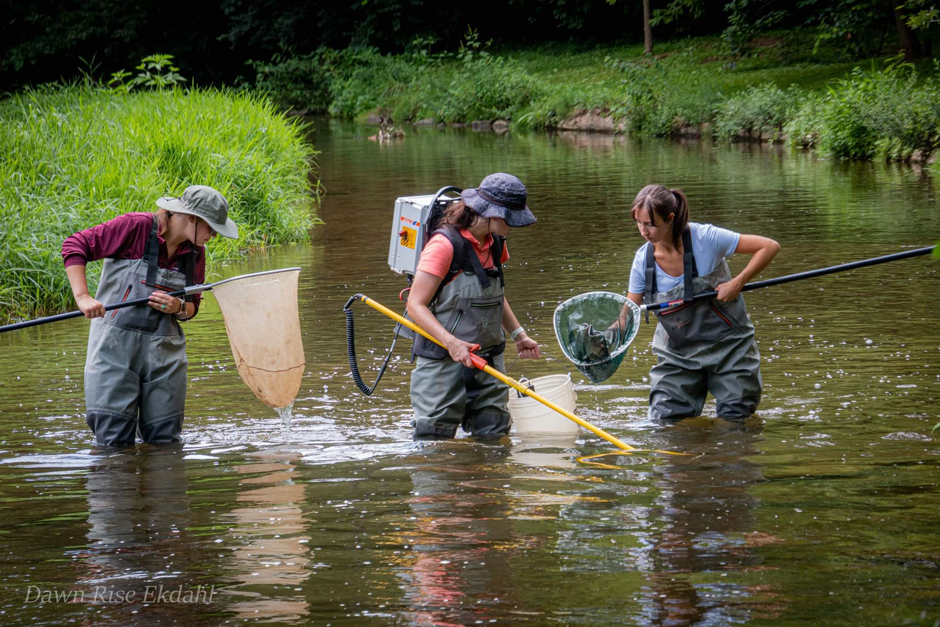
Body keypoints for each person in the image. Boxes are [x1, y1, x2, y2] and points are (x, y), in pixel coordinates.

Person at [62, 185, 239, 446]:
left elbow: (192, 306)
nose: (213, 235)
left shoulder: (195, 252)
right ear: (191, 217)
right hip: (114, 352)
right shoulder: (135, 227)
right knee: (114, 441)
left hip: (165, 355)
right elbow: (75, 245)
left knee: (165, 441)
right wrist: (83, 297)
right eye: (211, 228)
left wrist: (177, 307)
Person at [625, 184, 780, 420]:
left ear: (670, 219)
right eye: (638, 223)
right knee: (666, 424)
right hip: (677, 355)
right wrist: (610, 334)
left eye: (650, 224)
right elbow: (630, 310)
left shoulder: (706, 238)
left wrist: (737, 282)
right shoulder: (642, 261)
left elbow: (768, 246)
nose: (643, 231)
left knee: (735, 423)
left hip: (731, 348)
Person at [407, 173, 540, 440]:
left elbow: (493, 294)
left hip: (488, 358)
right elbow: (415, 305)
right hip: (442, 361)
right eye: (510, 217)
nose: (513, 225)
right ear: (490, 213)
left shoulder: (496, 243)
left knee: (494, 438)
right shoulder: (444, 246)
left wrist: (519, 334)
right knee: (435, 444)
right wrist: (452, 343)